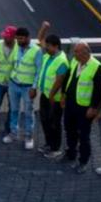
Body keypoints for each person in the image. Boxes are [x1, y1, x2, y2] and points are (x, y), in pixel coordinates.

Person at [59, 42, 101, 173]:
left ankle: (83, 161)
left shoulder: (96, 67)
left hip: (84, 107)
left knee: (84, 135)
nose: (74, 54)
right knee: (69, 129)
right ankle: (70, 153)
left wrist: (94, 108)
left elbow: (99, 90)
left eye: (77, 51)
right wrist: (63, 94)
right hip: (71, 104)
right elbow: (68, 77)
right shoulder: (74, 62)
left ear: (85, 52)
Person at [4, 23, 48, 150]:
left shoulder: (36, 51)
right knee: (14, 110)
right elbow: (14, 64)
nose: (18, 41)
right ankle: (13, 133)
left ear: (28, 38)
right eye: (17, 39)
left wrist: (34, 87)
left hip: (28, 87)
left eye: (21, 39)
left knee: (28, 112)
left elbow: (38, 71)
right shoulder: (17, 47)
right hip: (14, 84)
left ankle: (29, 136)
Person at [29, 29, 70, 159]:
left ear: (56, 46)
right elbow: (39, 40)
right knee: (45, 120)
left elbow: (59, 81)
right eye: (46, 45)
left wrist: (51, 96)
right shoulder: (48, 55)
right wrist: (44, 28)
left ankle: (55, 148)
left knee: (54, 123)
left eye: (48, 46)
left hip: (54, 98)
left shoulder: (62, 61)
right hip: (45, 95)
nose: (46, 47)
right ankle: (48, 143)